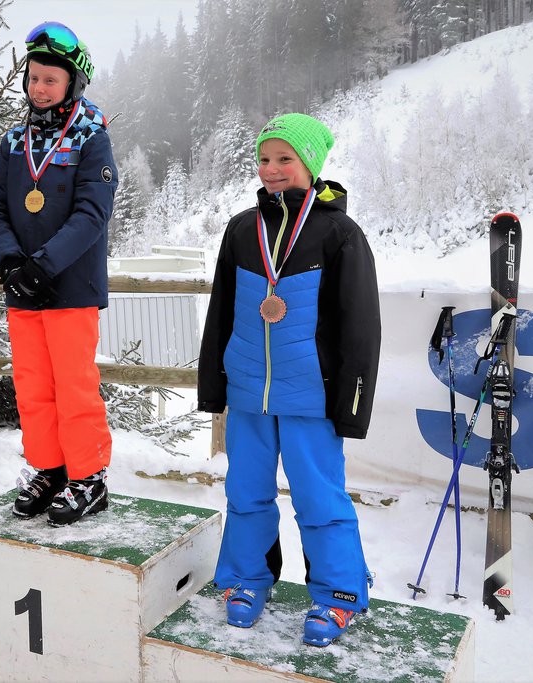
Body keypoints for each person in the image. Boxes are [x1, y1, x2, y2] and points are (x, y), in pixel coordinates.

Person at [197, 113, 381, 646]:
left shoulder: (339, 233)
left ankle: (339, 593)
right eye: (264, 158)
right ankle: (246, 579)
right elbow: (221, 312)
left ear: (310, 164)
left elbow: (361, 324)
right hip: (249, 393)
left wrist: (352, 403)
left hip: (312, 396)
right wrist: (214, 385)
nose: (272, 169)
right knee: (247, 491)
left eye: (285, 159)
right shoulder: (240, 229)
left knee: (319, 497)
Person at [0, 21, 117, 527]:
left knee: (74, 383)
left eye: (50, 80)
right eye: (34, 78)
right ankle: (49, 468)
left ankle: (89, 477)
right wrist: (12, 261)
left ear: (73, 84)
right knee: (33, 385)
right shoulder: (14, 141)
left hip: (69, 286)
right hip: (23, 288)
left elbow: (91, 214)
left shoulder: (91, 138)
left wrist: (45, 264)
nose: (40, 88)